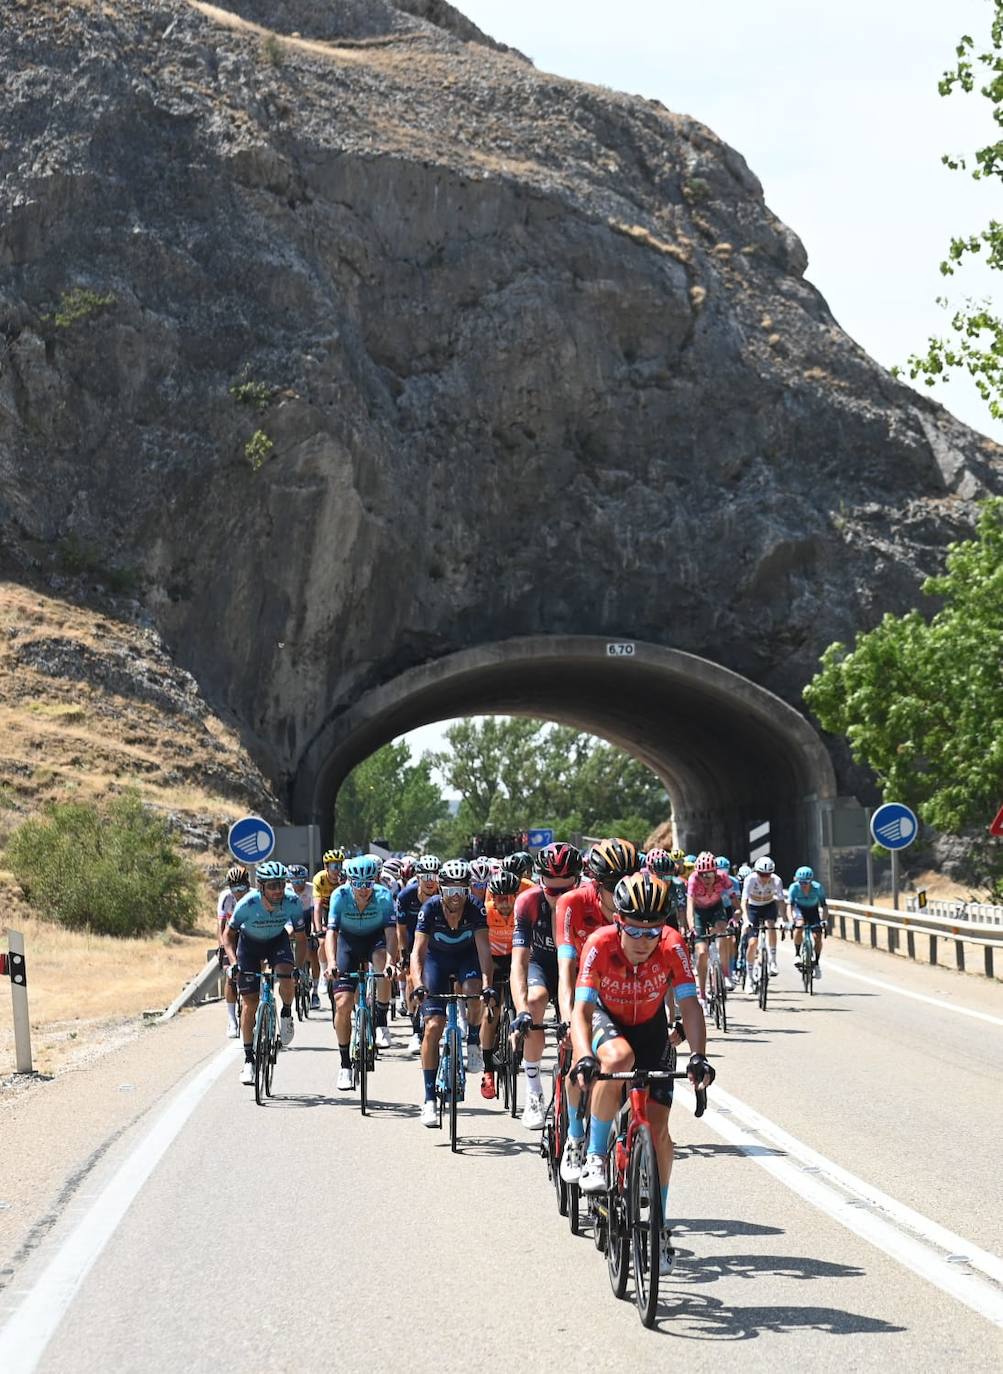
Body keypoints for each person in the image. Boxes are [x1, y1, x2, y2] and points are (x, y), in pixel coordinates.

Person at [570, 873, 714, 1275]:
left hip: (652, 1030)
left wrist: (699, 1055)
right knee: (617, 1059)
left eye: (652, 931)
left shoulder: (672, 945)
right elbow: (580, 1011)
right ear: (618, 921)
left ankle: (660, 1225)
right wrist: (583, 1055)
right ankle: (597, 1155)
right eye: (634, 930)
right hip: (607, 1020)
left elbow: (689, 1005)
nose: (643, 940)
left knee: (660, 1129)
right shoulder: (599, 944)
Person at [553, 839, 634, 1180]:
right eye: (617, 886)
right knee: (580, 1058)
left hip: (625, 993)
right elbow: (566, 972)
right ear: (597, 885)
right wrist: (568, 1020)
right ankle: (574, 1135)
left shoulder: (639, 902)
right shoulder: (573, 903)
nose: (625, 892)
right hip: (588, 993)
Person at [410, 859, 493, 1127]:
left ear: (468, 890)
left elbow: (483, 951)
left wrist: (488, 984)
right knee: (434, 1026)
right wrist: (418, 984)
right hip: (436, 961)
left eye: (461, 890)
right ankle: (429, 1099)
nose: (455, 897)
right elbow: (418, 953)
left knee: (473, 992)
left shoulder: (476, 908)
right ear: (440, 891)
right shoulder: (430, 908)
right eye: (449, 891)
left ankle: (472, 1040)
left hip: (466, 958)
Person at [510, 842, 581, 1130]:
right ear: (540, 882)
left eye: (567, 890)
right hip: (541, 964)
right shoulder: (527, 902)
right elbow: (519, 963)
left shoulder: (590, 900)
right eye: (552, 890)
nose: (559, 896)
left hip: (575, 966)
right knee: (535, 1001)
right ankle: (533, 1090)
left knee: (578, 1014)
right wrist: (521, 1011)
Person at [326, 855, 399, 1090]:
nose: (364, 889)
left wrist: (391, 962)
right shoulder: (340, 895)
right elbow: (332, 934)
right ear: (350, 882)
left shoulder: (383, 895)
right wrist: (330, 962)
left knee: (382, 965)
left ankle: (380, 1020)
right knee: (344, 1002)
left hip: (374, 940)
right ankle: (345, 1064)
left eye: (368, 883)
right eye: (359, 884)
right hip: (347, 942)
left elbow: (390, 933)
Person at [223, 860, 300, 1084]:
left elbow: (302, 938)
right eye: (272, 885)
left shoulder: (292, 902)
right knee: (250, 1003)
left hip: (278, 941)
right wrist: (234, 962)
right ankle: (248, 1060)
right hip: (249, 945)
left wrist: (298, 968)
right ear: (261, 887)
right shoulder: (247, 904)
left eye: (281, 884)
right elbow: (228, 936)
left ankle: (286, 1013)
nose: (278, 890)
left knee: (286, 975)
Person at [479, 866, 520, 1099]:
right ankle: (487, 1069)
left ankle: (518, 1051)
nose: (505, 904)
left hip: (515, 959)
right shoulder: (485, 913)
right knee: (491, 1012)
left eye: (509, 898)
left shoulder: (523, 911)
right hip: (493, 961)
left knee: (521, 1006)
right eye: (500, 899)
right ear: (493, 898)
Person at [396, 855, 441, 1052]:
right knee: (412, 980)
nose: (430, 881)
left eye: (434, 876)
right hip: (414, 942)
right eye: (425, 876)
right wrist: (404, 954)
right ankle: (415, 1031)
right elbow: (400, 929)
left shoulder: (445, 895)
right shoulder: (406, 896)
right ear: (418, 877)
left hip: (438, 943)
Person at [686, 852, 733, 1006]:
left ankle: (726, 974)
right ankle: (702, 994)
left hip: (715, 909)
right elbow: (690, 906)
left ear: (715, 872)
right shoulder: (693, 880)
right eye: (702, 875)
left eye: (709, 875)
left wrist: (736, 916)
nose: (705, 879)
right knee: (701, 952)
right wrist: (691, 926)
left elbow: (734, 899)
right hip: (699, 912)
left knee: (724, 934)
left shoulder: (723, 878)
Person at [742, 856, 786, 987]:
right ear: (756, 872)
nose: (765, 877)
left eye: (768, 874)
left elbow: (781, 900)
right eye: (761, 874)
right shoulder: (750, 879)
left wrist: (783, 919)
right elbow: (744, 901)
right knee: (753, 942)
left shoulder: (776, 880)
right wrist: (745, 920)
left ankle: (773, 960)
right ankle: (749, 977)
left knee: (771, 925)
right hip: (753, 908)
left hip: (768, 906)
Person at [217, 865, 250, 1038]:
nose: (238, 892)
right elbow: (221, 926)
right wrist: (222, 946)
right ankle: (231, 1020)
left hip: (249, 934)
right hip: (230, 935)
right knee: (230, 976)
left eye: (242, 888)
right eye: (234, 888)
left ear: (248, 885)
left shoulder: (254, 896)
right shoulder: (225, 897)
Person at [312, 848, 345, 989]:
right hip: (325, 909)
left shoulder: (344, 878)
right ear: (326, 867)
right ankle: (323, 974)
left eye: (339, 865)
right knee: (323, 941)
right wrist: (319, 929)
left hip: (340, 909)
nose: (337, 869)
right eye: (334, 866)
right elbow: (317, 906)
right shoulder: (320, 878)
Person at [787, 866, 828, 978]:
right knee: (799, 926)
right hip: (799, 909)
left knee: (817, 936)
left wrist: (824, 920)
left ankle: (817, 963)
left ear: (811, 881)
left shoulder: (818, 888)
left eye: (806, 883)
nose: (803, 885)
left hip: (813, 910)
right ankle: (797, 954)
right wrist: (791, 920)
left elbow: (824, 906)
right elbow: (789, 906)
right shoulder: (794, 888)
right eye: (801, 883)